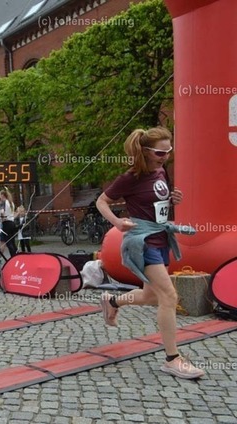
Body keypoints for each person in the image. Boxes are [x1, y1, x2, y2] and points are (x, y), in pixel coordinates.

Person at [96, 126, 204, 380]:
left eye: (169, 151)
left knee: (150, 296)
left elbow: (156, 204)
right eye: (160, 152)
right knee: (169, 295)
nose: (165, 156)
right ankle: (172, 359)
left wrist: (173, 200)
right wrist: (117, 222)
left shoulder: (161, 171)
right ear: (145, 151)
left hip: (161, 237)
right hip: (142, 241)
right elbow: (102, 201)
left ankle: (113, 302)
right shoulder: (130, 177)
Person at [0, 189, 17, 258]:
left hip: (6, 223)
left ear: (2, 195)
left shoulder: (3, 202)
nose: (0, 197)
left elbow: (2, 211)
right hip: (12, 222)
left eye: (0, 196)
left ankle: (12, 256)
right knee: (12, 241)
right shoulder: (11, 203)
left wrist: (2, 217)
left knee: (8, 242)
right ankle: (15, 255)